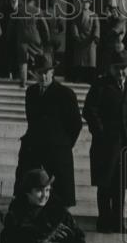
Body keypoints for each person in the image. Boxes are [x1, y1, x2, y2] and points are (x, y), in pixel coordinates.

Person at [83, 52, 127, 233]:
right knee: (105, 184)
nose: (121, 72)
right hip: (105, 145)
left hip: (125, 145)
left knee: (120, 186)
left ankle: (118, 223)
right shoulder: (100, 85)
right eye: (117, 68)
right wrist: (100, 132)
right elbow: (89, 110)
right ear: (110, 68)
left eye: (124, 68)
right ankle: (104, 221)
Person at [15, 62, 82, 207]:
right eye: (40, 73)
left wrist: (63, 144)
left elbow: (76, 124)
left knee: (60, 195)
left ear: (52, 72)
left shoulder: (66, 94)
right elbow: (32, 120)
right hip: (34, 147)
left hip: (57, 150)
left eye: (47, 72)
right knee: (27, 189)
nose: (43, 76)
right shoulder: (31, 92)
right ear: (34, 74)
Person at [16, 0, 53, 84]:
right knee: (39, 58)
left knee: (23, 60)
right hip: (35, 38)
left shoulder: (19, 10)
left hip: (22, 38)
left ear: (25, 1)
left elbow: (12, 26)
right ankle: (40, 81)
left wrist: (10, 37)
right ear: (33, 1)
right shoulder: (37, 10)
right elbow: (44, 26)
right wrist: (47, 38)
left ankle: (23, 82)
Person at [69, 0, 99, 82]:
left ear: (90, 3)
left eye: (87, 1)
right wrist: (76, 36)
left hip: (90, 41)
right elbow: (74, 26)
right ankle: (78, 78)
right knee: (79, 60)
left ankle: (89, 78)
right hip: (80, 40)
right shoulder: (76, 14)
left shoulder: (94, 15)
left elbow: (96, 27)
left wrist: (95, 37)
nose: (85, 3)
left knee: (90, 61)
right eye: (83, 1)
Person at [98, 4, 127, 73]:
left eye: (115, 11)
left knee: (116, 66)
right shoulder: (112, 20)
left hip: (117, 46)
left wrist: (105, 35)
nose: (113, 13)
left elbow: (114, 31)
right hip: (110, 46)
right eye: (112, 11)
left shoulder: (121, 19)